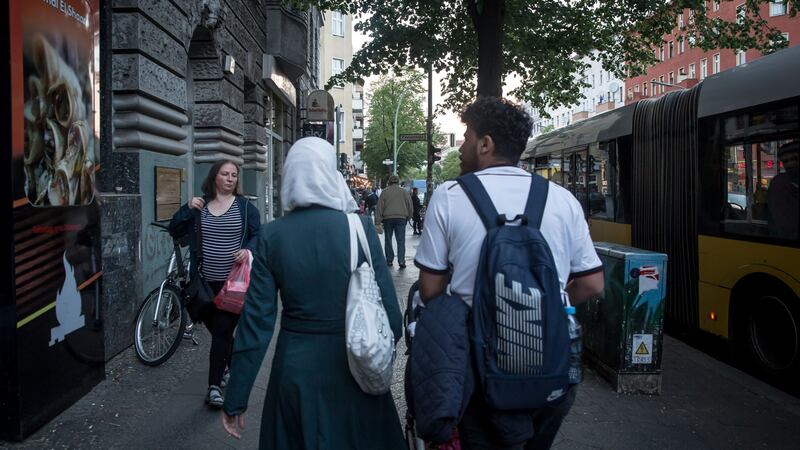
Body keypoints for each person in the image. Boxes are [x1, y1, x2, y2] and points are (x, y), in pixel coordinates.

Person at [414, 97, 605, 450]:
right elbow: (592, 282)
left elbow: (430, 288)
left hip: (480, 369)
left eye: (467, 137)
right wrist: (547, 301)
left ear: (485, 144)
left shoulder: (450, 196)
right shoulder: (562, 199)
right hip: (551, 370)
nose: (461, 147)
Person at [220, 137, 406, 449]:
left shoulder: (271, 235)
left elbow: (256, 326)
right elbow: (391, 318)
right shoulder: (359, 229)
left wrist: (235, 399)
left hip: (295, 370)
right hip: (354, 370)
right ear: (329, 174)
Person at [169, 159, 261, 408]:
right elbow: (174, 230)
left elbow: (257, 235)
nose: (230, 178)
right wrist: (187, 209)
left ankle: (213, 387)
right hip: (204, 284)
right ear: (214, 177)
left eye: (234, 175)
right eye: (225, 174)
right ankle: (232, 364)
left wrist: (248, 251)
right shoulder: (200, 205)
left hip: (234, 285)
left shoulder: (244, 207)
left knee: (221, 332)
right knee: (219, 333)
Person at [376, 175, 413, 268]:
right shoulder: (404, 192)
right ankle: (401, 261)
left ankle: (389, 260)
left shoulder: (385, 192)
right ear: (398, 182)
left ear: (389, 182)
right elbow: (410, 206)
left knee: (388, 239)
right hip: (401, 218)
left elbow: (379, 207)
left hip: (388, 218)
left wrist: (377, 220)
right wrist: (408, 217)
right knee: (401, 240)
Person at [768, 141, 799, 240]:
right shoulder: (780, 183)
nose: (790, 164)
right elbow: (786, 225)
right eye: (785, 161)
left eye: (794, 159)